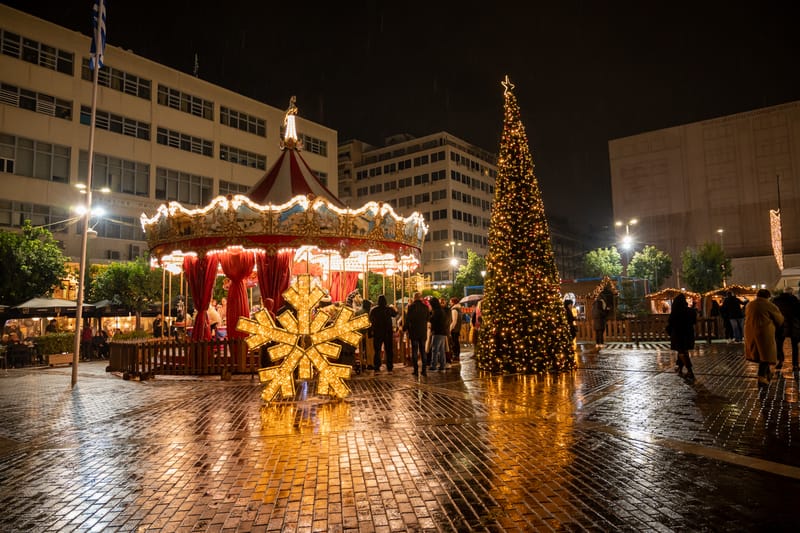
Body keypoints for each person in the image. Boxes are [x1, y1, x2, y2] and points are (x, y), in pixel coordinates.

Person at [744, 289, 784, 387]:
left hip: (750, 331)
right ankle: (761, 377)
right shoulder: (769, 305)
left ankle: (767, 373)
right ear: (768, 296)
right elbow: (779, 319)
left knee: (759, 353)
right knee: (766, 354)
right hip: (764, 331)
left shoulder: (750, 304)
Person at [667, 293, 697, 380]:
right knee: (684, 351)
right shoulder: (691, 311)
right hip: (688, 334)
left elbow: (670, 323)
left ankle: (689, 370)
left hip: (678, 334)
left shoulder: (675, 312)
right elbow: (694, 321)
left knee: (681, 352)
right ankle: (679, 367)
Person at [771, 287, 800, 371]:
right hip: (793, 325)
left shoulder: (775, 301)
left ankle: (780, 361)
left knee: (779, 345)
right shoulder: (795, 300)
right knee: (794, 346)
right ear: (792, 293)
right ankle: (795, 365)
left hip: (780, 325)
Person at [368, 295, 397, 373]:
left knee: (377, 350)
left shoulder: (374, 310)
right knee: (388, 350)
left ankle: (377, 366)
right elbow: (395, 314)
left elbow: (370, 319)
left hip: (378, 332)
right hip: (387, 332)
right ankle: (389, 366)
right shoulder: (388, 309)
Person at [404, 292, 430, 376]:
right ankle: (424, 370)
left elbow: (408, 319)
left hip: (414, 332)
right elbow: (427, 318)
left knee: (415, 351)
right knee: (423, 351)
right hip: (423, 332)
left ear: (414, 298)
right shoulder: (425, 307)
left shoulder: (411, 307)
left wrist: (405, 328)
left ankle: (415, 370)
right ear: (420, 298)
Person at [429, 297, 448, 371]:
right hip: (443, 332)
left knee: (435, 349)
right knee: (441, 350)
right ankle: (442, 365)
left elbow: (433, 320)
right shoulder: (441, 310)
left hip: (437, 332)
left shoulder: (436, 311)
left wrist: (429, 316)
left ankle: (434, 365)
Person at [449, 297, 463, 363]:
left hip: (454, 329)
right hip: (457, 328)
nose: (450, 303)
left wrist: (450, 329)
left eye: (451, 302)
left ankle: (456, 355)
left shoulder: (454, 310)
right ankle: (457, 355)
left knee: (454, 342)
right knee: (456, 342)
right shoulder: (459, 309)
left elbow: (454, 321)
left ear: (454, 302)